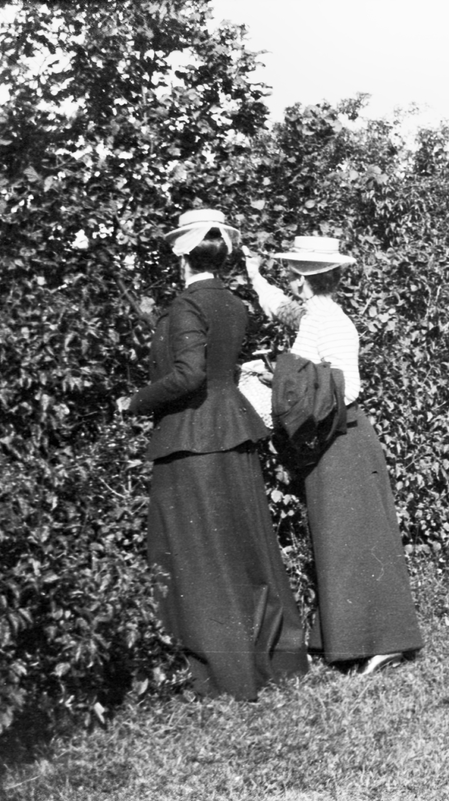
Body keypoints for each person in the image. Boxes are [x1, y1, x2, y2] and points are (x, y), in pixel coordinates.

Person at [120, 209, 309, 700]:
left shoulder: (187, 305)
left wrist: (134, 402)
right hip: (232, 433)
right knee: (244, 548)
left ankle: (225, 670)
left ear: (182, 255)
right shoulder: (233, 303)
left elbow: (189, 375)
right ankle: (275, 658)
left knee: (200, 555)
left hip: (193, 438)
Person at [245, 236, 424, 676]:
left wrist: (277, 379)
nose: (289, 282)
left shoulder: (333, 323)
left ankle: (387, 644)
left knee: (358, 542)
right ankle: (345, 643)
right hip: (333, 440)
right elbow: (281, 310)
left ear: (303, 280)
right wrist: (254, 276)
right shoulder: (313, 315)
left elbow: (349, 387)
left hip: (344, 439)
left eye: (291, 275)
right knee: (338, 542)